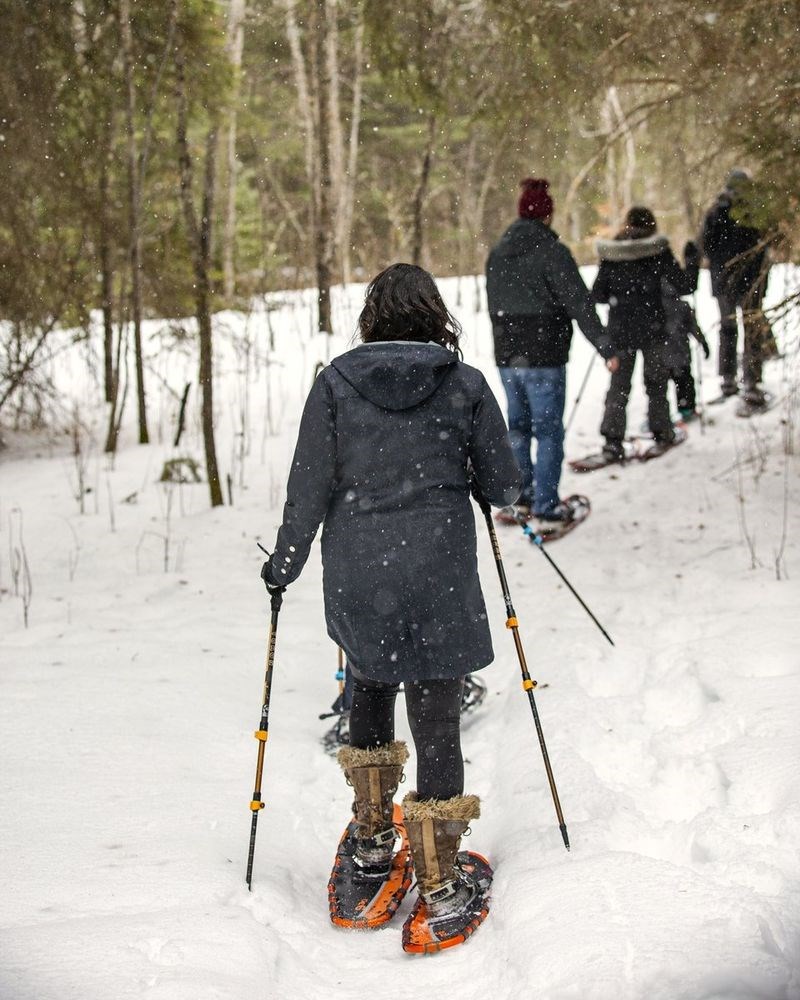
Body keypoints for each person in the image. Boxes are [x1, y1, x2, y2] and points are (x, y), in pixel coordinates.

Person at [261, 263, 520, 953]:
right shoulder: (462, 384)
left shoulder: (337, 383)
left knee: (369, 685)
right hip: (437, 570)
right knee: (436, 711)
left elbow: (307, 485)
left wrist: (284, 563)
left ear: (372, 316)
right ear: (436, 314)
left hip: (360, 569)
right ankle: (438, 877)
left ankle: (374, 847)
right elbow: (503, 486)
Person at [485, 177, 617, 527]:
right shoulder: (553, 253)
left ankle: (521, 498)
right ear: (547, 216)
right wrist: (604, 345)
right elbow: (580, 303)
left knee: (518, 429)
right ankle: (545, 506)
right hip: (543, 354)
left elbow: (493, 304)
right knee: (547, 431)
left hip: (507, 356)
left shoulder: (497, 254)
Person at [592, 207, 699, 460]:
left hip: (621, 331)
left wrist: (619, 294)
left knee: (619, 388)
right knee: (656, 384)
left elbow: (598, 294)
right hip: (653, 329)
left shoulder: (612, 253)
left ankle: (612, 441)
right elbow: (685, 285)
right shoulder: (658, 252)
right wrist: (693, 261)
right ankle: (662, 431)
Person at [701, 169, 775, 405]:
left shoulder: (717, 211)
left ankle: (730, 379)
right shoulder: (754, 211)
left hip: (727, 281)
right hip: (749, 279)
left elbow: (705, 245)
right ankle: (749, 380)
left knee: (729, 328)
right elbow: (770, 241)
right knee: (748, 327)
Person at [661, 278, 710, 421]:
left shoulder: (654, 307)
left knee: (659, 387)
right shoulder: (682, 306)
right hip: (681, 353)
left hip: (661, 356)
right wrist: (703, 343)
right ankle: (686, 409)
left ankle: (659, 417)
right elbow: (694, 328)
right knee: (684, 383)